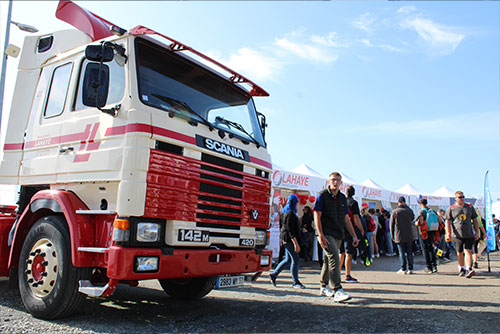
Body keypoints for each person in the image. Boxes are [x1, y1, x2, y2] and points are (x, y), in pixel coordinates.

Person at [314, 172, 359, 302]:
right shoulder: (322, 195)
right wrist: (320, 234)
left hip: (338, 232)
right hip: (326, 232)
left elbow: (346, 218)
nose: (335, 182)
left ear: (341, 183)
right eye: (333, 180)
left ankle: (323, 285)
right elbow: (317, 214)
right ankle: (337, 289)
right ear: (329, 181)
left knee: (328, 260)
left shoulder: (342, 198)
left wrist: (354, 235)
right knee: (334, 256)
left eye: (337, 180)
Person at [269, 194, 305, 289]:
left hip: (285, 239)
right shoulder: (290, 214)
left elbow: (283, 227)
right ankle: (295, 281)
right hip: (289, 240)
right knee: (295, 259)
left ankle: (274, 274)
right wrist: (295, 244)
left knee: (288, 259)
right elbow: (290, 231)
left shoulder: (284, 212)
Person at [445, 191, 480, 278]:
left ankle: (469, 268)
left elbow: (475, 220)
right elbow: (448, 221)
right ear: (456, 198)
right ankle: (462, 268)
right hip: (457, 235)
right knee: (459, 252)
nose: (462, 199)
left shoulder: (469, 207)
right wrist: (448, 233)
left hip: (469, 234)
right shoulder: (452, 208)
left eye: (463, 197)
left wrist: (477, 232)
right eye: (460, 197)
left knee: (468, 250)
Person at [339, 185, 365, 283]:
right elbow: (356, 218)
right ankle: (347, 275)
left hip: (340, 229)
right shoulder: (353, 203)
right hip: (349, 230)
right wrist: (361, 230)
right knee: (349, 253)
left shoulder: (342, 201)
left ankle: (337, 274)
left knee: (341, 253)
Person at [390, 196, 415, 274]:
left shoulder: (395, 211)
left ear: (398, 202)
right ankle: (411, 268)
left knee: (402, 253)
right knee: (409, 252)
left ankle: (403, 268)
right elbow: (412, 218)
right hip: (409, 234)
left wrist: (392, 236)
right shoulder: (409, 211)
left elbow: (391, 225)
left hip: (399, 235)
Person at [416, 198, 438, 273]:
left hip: (424, 232)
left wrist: (417, 223)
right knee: (431, 248)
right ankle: (434, 265)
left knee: (425, 249)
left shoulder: (421, 211)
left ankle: (429, 267)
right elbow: (439, 220)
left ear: (420, 204)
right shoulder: (432, 211)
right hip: (432, 230)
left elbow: (421, 222)